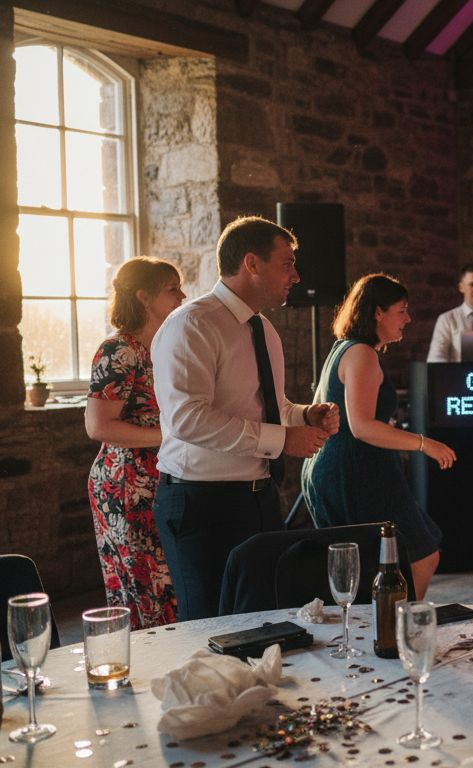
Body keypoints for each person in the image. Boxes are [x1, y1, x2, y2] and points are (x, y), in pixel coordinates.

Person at [151, 215, 339, 621]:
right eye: (286, 263)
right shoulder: (192, 324)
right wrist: (282, 440)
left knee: (265, 619)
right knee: (209, 629)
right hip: (201, 502)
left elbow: (268, 405)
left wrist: (304, 414)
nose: (296, 274)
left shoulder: (264, 328)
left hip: (258, 497)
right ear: (251, 263)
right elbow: (188, 418)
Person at [301, 273, 455, 599]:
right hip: (356, 471)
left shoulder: (347, 348)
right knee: (420, 555)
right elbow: (362, 426)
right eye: (402, 310)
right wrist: (425, 444)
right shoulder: (362, 354)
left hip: (344, 467)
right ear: (377, 313)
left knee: (381, 563)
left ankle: (386, 631)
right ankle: (397, 631)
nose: (408, 318)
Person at [84, 257, 186, 629]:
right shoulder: (119, 350)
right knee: (146, 589)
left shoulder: (164, 346)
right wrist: (169, 436)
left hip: (162, 476)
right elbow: (98, 426)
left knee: (169, 586)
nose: (182, 296)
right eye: (172, 289)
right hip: (126, 485)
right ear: (144, 298)